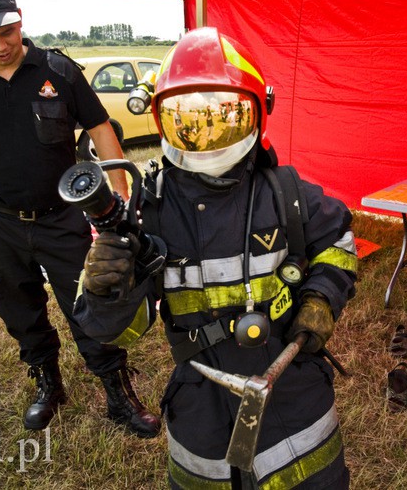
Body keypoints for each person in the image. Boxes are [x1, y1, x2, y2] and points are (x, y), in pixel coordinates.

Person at [74, 27, 358, 487]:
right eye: (187, 119)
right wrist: (107, 293)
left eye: (223, 116)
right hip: (200, 399)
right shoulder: (151, 213)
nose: (205, 136)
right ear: (162, 121)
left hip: (291, 381)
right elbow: (115, 331)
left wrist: (322, 297)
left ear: (256, 112)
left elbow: (338, 240)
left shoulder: (286, 196)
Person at [0, 0, 160, 437]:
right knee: (19, 309)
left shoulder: (57, 71)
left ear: (20, 20)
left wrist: (119, 194)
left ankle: (118, 393)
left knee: (92, 304)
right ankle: (47, 383)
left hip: (63, 219)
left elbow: (100, 128)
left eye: (9, 31)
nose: (2, 45)